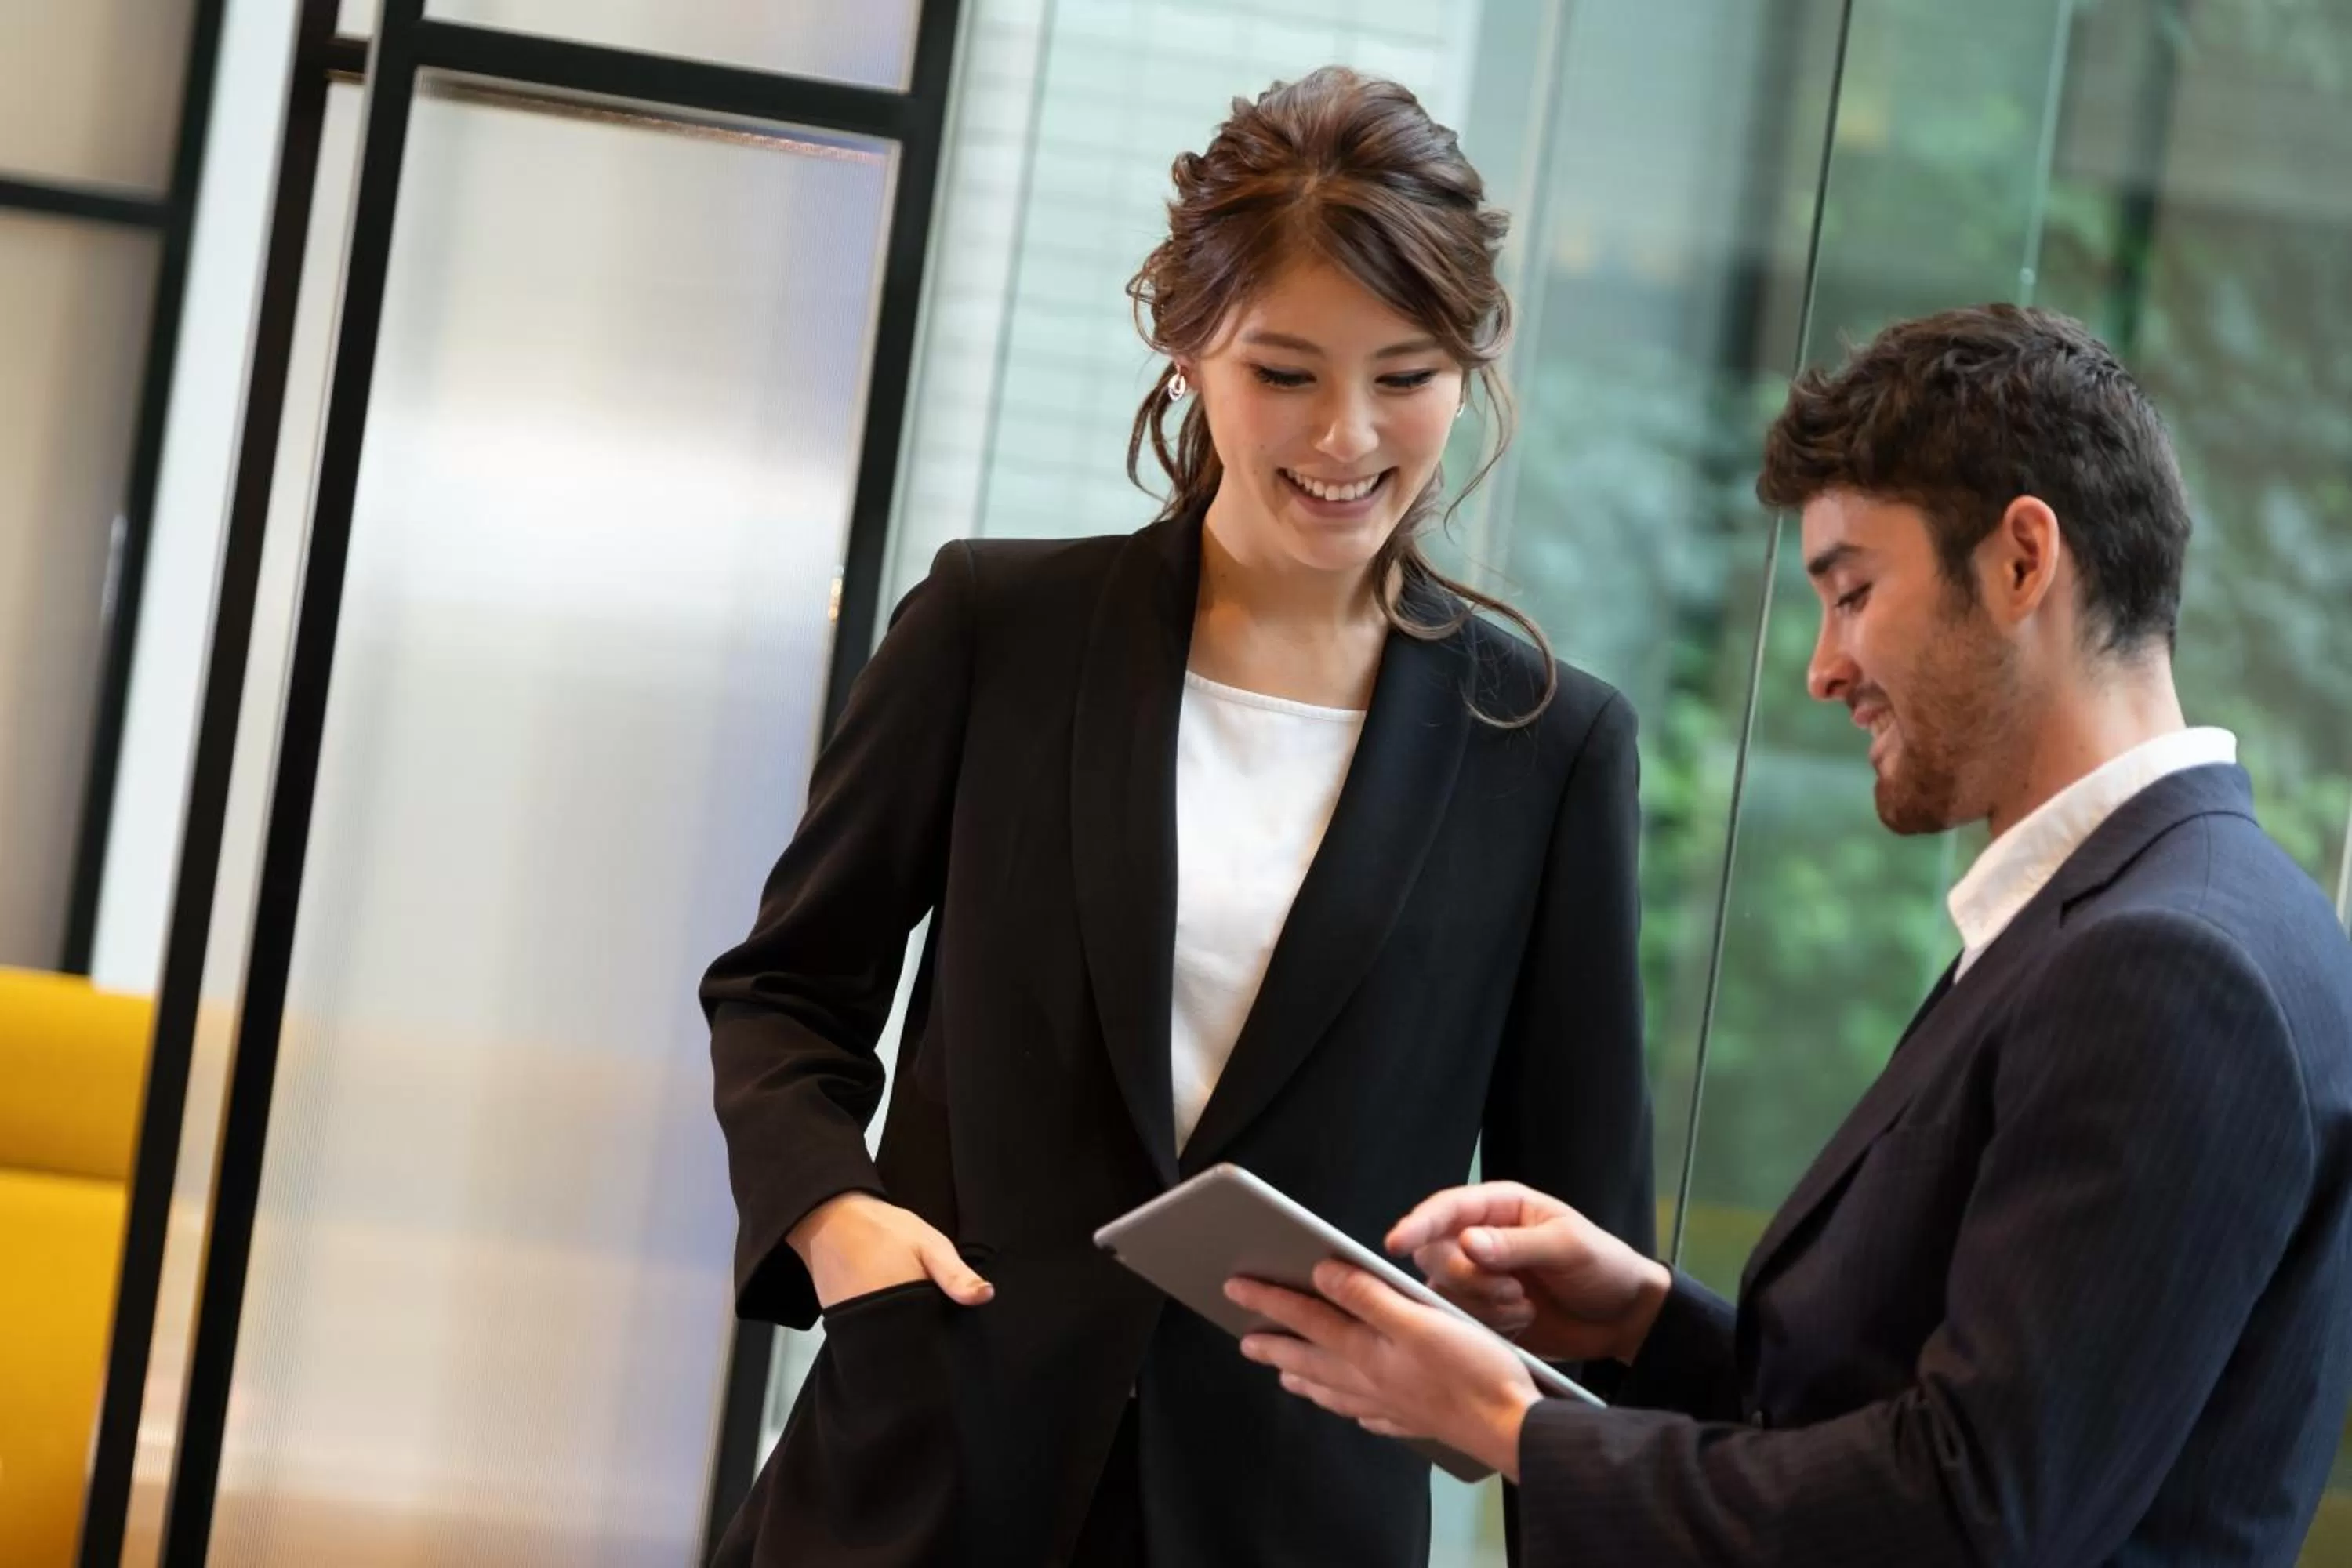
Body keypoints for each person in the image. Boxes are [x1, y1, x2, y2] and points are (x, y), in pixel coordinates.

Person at [700, 67, 1653, 1567]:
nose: (1348, 438)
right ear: (1187, 349)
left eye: (1405, 376)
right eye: (1286, 372)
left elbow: (1581, 1226)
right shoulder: (993, 629)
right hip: (926, 1476)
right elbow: (782, 994)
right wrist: (834, 1220)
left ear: (1468, 372)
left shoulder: (1547, 741)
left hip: (1292, 1519)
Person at [1230, 303, 2352, 1566]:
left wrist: (1506, 1423)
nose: (1825, 668)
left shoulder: (2170, 966)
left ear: (2023, 560)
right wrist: (1646, 1323)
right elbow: (1949, 1413)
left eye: (1855, 592)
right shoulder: (2163, 912)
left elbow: (1971, 1517)